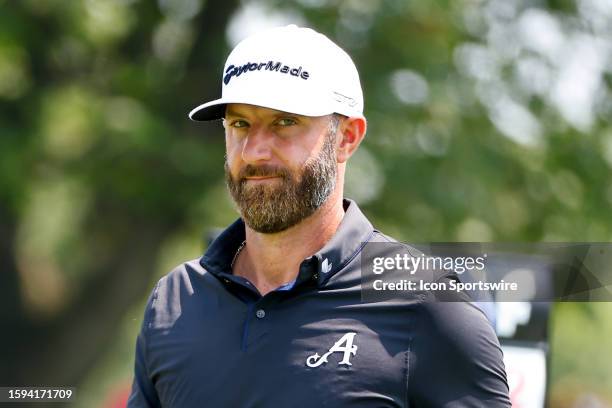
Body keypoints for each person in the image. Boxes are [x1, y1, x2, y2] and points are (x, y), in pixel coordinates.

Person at [127, 25, 511, 407]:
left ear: (347, 137)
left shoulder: (431, 308)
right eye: (240, 124)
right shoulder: (175, 301)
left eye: (285, 122)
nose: (254, 151)